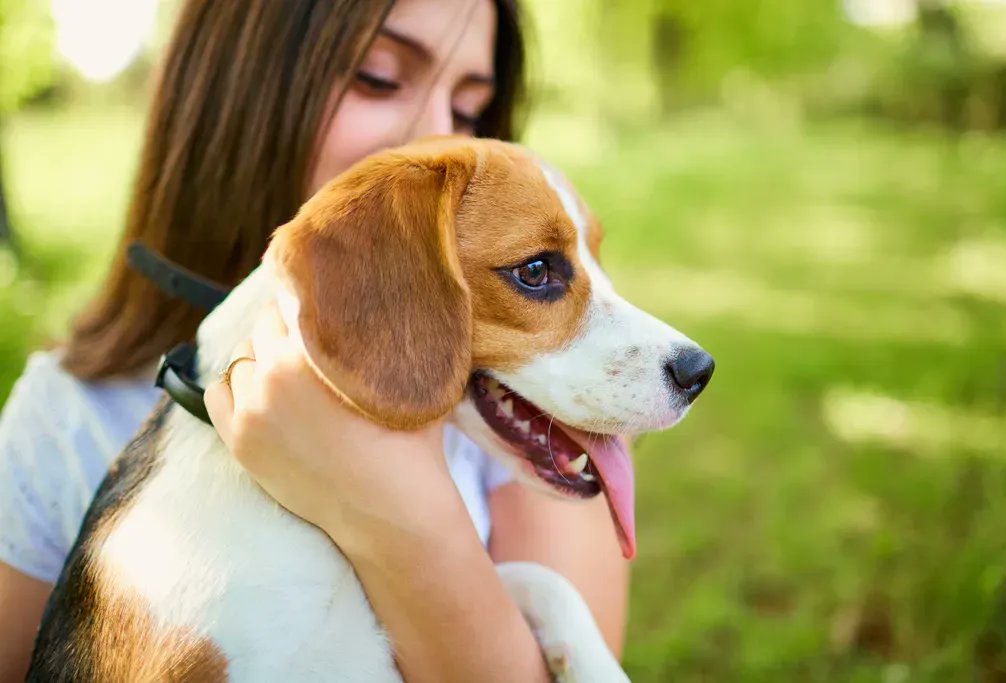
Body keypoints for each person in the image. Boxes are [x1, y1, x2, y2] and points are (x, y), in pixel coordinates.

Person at [0, 1, 628, 681]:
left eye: (468, 107)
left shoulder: (515, 404)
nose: (437, 134)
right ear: (237, 86)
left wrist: (400, 512)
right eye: (378, 78)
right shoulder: (64, 420)